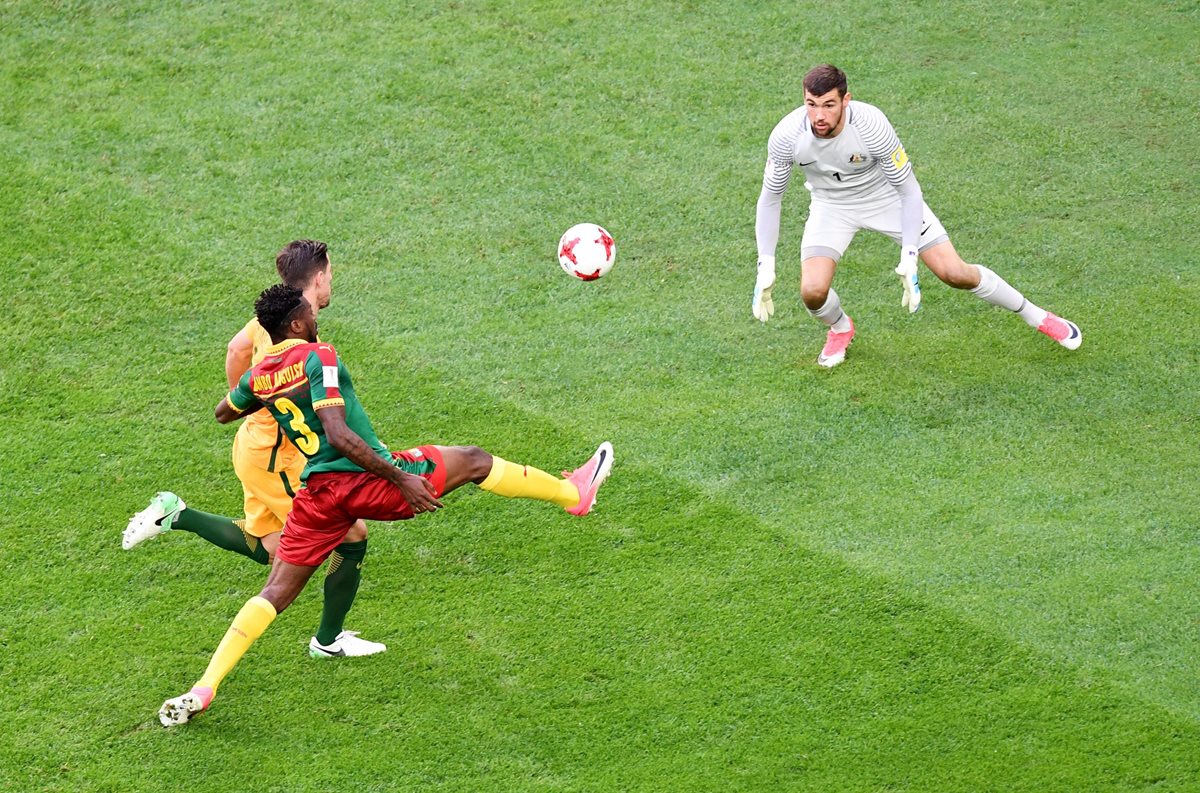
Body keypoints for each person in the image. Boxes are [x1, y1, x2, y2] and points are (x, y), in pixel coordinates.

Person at [158, 283, 614, 726]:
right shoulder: (321, 355)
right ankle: (575, 495)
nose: (317, 317)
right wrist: (400, 478)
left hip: (317, 496)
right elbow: (338, 434)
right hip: (367, 478)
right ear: (297, 322)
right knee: (473, 461)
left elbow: (223, 412)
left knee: (274, 593)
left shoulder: (259, 375)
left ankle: (205, 686)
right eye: (310, 313)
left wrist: (261, 395)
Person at [123, 240, 383, 659]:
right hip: (278, 457)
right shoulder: (297, 323)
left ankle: (177, 514)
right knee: (350, 533)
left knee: (270, 547)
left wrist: (245, 401)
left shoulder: (272, 317)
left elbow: (236, 349)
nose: (333, 279)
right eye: (331, 272)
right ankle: (328, 641)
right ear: (318, 278)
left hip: (257, 446)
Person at [751, 63, 1082, 367]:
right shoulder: (786, 136)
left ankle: (1036, 315)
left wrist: (909, 252)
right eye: (811, 104)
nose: (818, 115)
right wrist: (765, 262)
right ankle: (840, 328)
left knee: (954, 273)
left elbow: (908, 191)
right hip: (831, 208)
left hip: (888, 200)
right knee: (812, 292)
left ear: (846, 100)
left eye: (828, 105)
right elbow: (770, 199)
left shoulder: (871, 126)